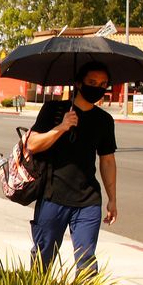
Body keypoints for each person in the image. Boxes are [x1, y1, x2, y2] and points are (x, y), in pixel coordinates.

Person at [26, 61, 117, 273]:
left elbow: (107, 160)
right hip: (52, 197)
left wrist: (112, 198)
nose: (98, 87)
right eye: (92, 82)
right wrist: (61, 127)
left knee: (87, 263)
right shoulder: (54, 110)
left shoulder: (104, 121)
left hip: (88, 201)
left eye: (103, 84)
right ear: (78, 83)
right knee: (43, 259)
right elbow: (32, 144)